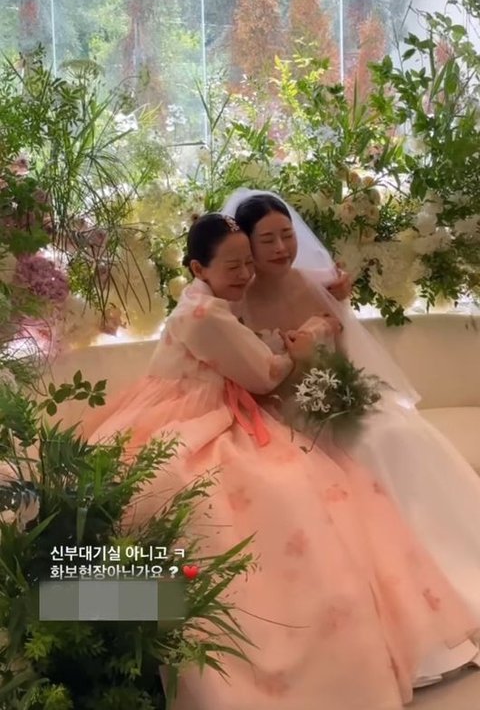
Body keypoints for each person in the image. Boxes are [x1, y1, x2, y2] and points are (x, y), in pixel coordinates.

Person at [84, 212, 479, 709]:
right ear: (198, 268)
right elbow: (264, 374)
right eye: (234, 265)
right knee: (286, 490)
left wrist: (317, 311)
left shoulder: (202, 302)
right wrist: (303, 343)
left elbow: (254, 347)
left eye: (248, 263)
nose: (246, 274)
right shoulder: (206, 316)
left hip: (181, 410)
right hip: (201, 417)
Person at [222, 188, 480, 682]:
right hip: (278, 415)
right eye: (267, 240)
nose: (281, 248)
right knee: (364, 451)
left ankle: (459, 573)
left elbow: (342, 359)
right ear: (246, 246)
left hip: (333, 397)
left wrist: (337, 390)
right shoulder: (234, 301)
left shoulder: (315, 285)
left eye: (287, 235)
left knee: (397, 433)